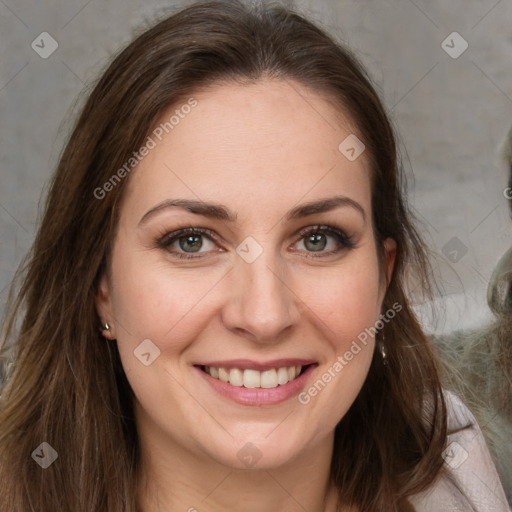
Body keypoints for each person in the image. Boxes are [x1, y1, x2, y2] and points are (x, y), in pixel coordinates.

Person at [0, 1, 509, 511]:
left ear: (383, 279)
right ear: (101, 287)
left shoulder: (469, 485)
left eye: (318, 239)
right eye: (191, 241)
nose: (264, 315)